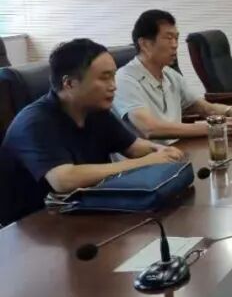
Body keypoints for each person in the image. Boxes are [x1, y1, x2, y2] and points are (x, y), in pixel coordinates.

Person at [0, 39, 185, 225]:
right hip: (34, 226)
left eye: (113, 76)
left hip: (84, 209)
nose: (113, 86)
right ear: (69, 83)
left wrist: (159, 151)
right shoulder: (34, 122)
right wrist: (146, 162)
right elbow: (64, 179)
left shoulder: (95, 110)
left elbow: (134, 147)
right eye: (104, 78)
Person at [113, 9, 232, 138]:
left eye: (176, 38)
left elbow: (204, 108)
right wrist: (212, 128)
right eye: (168, 38)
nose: (175, 45)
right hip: (148, 156)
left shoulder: (170, 75)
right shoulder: (125, 79)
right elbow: (149, 128)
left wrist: (231, 110)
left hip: (176, 150)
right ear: (145, 44)